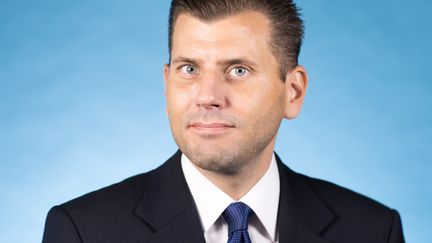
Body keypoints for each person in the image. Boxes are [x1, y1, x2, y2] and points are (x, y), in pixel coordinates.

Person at [42, 0, 405, 242]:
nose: (208, 95)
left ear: (292, 92)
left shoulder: (372, 229)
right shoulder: (84, 232)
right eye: (189, 69)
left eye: (238, 69)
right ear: (166, 83)